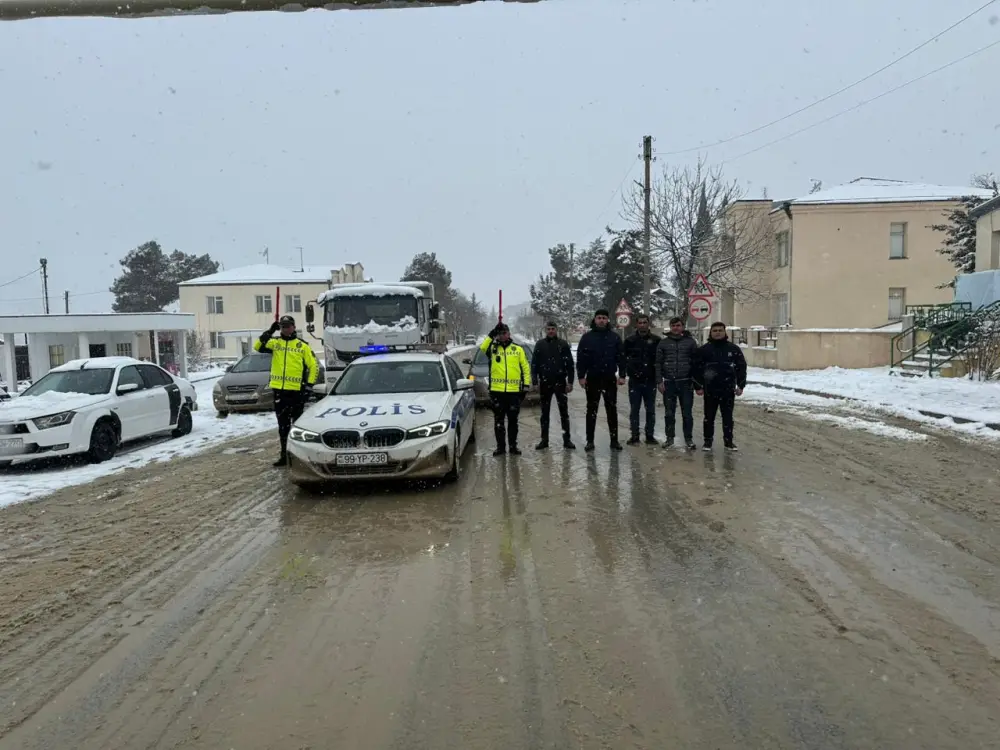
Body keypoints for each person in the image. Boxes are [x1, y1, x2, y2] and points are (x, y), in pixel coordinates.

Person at [254, 315, 320, 467]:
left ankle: (299, 457)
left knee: (297, 427)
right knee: (283, 427)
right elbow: (257, 346)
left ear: (294, 327)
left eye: (288, 325)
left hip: (297, 393)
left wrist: (308, 386)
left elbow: (314, 366)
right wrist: (270, 331)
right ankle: (284, 456)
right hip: (279, 392)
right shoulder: (275, 343)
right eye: (283, 326)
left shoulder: (302, 345)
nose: (286, 328)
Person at [692, 321, 747, 452]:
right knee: (709, 417)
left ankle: (728, 442)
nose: (717, 333)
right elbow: (696, 369)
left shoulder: (733, 349)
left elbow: (741, 367)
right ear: (711, 332)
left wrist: (741, 384)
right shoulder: (704, 350)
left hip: (728, 389)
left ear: (725, 332)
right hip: (710, 389)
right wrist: (698, 386)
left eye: (720, 330)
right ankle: (707, 442)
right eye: (715, 330)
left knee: (727, 417)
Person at [576, 308, 625, 452]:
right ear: (595, 320)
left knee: (612, 410)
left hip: (609, 378)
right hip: (593, 379)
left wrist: (622, 374)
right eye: (599, 318)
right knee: (591, 410)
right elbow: (581, 359)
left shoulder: (614, 337)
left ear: (608, 320)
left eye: (604, 317)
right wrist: (581, 376)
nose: (602, 320)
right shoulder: (587, 338)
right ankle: (590, 441)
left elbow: (621, 357)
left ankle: (614, 441)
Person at [479, 322, 532, 456]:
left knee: (513, 421)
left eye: (504, 333)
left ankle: (513, 446)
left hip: (514, 392)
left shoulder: (517, 349)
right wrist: (492, 333)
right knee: (499, 421)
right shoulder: (493, 349)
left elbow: (525, 368)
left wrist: (525, 386)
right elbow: (482, 347)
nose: (502, 336)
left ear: (509, 334)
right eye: (500, 333)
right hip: (497, 392)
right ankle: (501, 447)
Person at [655, 316, 699, 450]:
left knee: (687, 413)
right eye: (673, 325)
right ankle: (669, 438)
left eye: (678, 325)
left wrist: (696, 382)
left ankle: (688, 439)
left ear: (682, 327)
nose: (676, 328)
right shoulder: (663, 343)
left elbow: (696, 363)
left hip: (686, 383)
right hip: (669, 383)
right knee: (669, 413)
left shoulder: (690, 342)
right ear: (670, 327)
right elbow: (658, 363)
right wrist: (659, 381)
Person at [531, 321, 576, 450]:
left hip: (560, 382)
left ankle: (567, 440)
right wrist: (535, 381)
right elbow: (534, 364)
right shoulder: (540, 344)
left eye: (553, 329)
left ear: (556, 330)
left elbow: (570, 365)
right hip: (545, 383)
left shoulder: (563, 344)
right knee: (544, 413)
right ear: (546, 330)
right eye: (549, 329)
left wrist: (570, 382)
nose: (551, 331)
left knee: (564, 413)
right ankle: (544, 440)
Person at [623, 315, 660, 445]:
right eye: (640, 322)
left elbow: (659, 361)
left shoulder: (656, 340)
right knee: (634, 410)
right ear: (636, 324)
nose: (643, 325)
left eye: (645, 322)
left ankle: (650, 436)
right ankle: (634, 436)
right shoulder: (630, 341)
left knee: (650, 410)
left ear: (648, 324)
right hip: (635, 381)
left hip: (650, 381)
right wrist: (628, 372)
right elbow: (623, 359)